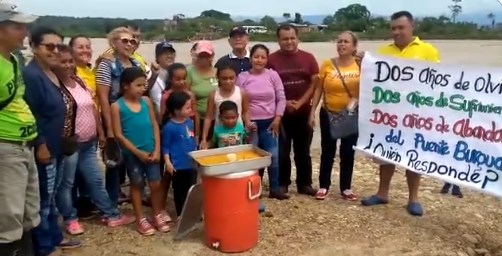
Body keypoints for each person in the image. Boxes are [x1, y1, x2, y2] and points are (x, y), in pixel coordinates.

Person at [358, 11, 440, 217]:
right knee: (386, 154)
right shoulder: (383, 51)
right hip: (389, 115)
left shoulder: (427, 50)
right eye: (393, 28)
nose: (396, 32)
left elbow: (438, 81)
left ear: (412, 27)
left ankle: (413, 198)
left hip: (415, 115)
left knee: (413, 156)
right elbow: (375, 79)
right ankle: (382, 193)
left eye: (401, 28)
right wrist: (364, 65)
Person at [54, 45, 135, 235]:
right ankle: (70, 218)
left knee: (95, 180)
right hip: (70, 144)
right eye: (62, 61)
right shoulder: (55, 86)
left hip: (89, 142)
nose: (67, 65)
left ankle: (110, 214)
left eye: (69, 61)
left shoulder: (79, 81)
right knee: (67, 184)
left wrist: (100, 132)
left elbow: (92, 108)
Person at [23, 27, 81, 256]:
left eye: (59, 45)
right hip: (44, 149)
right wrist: (41, 144)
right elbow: (31, 113)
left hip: (58, 147)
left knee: (52, 195)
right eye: (49, 46)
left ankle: (54, 237)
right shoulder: (32, 75)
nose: (55, 50)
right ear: (35, 47)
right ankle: (43, 247)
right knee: (43, 199)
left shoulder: (51, 72)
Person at [0, 3, 39, 256]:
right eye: (17, 26)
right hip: (6, 148)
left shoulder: (14, 60)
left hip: (25, 146)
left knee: (28, 212)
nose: (25, 32)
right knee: (8, 216)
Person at [111, 67, 169, 235]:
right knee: (136, 184)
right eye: (138, 85)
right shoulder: (117, 106)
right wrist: (137, 153)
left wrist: (157, 149)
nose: (142, 88)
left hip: (151, 151)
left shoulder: (147, 102)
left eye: (144, 85)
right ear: (125, 86)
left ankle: (157, 214)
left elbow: (154, 126)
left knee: (155, 184)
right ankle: (140, 219)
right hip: (133, 155)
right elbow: (119, 135)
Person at [267, 24, 319, 196]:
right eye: (284, 39)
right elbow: (268, 86)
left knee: (303, 151)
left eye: (292, 38)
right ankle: (282, 183)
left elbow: (314, 84)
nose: (289, 42)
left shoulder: (309, 58)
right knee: (282, 151)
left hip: (304, 112)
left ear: (297, 38)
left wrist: (301, 102)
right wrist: (285, 102)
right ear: (278, 40)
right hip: (280, 114)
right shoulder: (271, 60)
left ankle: (304, 183)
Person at [309, 31, 360, 201]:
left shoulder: (360, 65)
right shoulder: (327, 64)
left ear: (354, 46)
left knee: (347, 151)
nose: (342, 45)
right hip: (328, 112)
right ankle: (324, 185)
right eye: (339, 41)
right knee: (328, 150)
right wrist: (312, 112)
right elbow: (318, 89)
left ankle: (346, 187)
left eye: (346, 42)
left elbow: (370, 87)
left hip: (351, 114)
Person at [96, 26, 142, 207]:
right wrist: (109, 128)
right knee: (114, 161)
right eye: (124, 40)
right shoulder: (106, 64)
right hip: (114, 117)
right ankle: (111, 202)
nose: (129, 44)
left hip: (133, 117)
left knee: (132, 156)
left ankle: (132, 193)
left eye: (132, 41)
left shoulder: (136, 64)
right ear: (114, 42)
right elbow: (103, 97)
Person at [237, 44, 289, 200]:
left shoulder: (273, 75)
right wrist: (246, 122)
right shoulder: (243, 77)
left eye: (263, 57)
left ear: (267, 59)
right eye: (256, 56)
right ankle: (254, 189)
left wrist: (277, 118)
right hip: (251, 123)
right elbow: (238, 101)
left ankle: (274, 188)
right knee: (253, 158)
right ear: (250, 58)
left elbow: (281, 98)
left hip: (270, 123)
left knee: (273, 156)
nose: (259, 60)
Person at [68, 35, 97, 219]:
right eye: (80, 47)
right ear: (70, 50)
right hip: (75, 130)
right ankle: (71, 210)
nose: (85, 50)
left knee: (84, 171)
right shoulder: (71, 71)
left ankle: (85, 204)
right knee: (72, 174)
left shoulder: (90, 71)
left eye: (88, 46)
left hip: (92, 126)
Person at [161, 91, 198, 217]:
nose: (190, 110)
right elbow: (165, 147)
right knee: (179, 191)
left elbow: (191, 139)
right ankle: (181, 214)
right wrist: (168, 162)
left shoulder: (189, 122)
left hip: (190, 163)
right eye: (187, 107)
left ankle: (191, 213)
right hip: (178, 165)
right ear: (176, 110)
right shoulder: (169, 127)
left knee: (191, 188)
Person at [200, 63, 250, 150]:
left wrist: (248, 126)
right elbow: (208, 117)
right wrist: (204, 139)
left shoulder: (241, 92)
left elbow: (246, 112)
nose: (228, 81)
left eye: (231, 78)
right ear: (218, 78)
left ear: (236, 77)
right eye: (224, 78)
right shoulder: (214, 95)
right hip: (219, 135)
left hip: (238, 134)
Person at [187, 40, 218, 142]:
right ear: (196, 55)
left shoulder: (218, 72)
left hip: (217, 119)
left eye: (207, 56)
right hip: (196, 119)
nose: (204, 59)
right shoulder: (189, 72)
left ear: (212, 56)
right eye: (201, 56)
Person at [150, 41, 176, 115]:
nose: (169, 56)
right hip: (159, 117)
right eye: (165, 54)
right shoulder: (151, 74)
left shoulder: (178, 74)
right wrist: (153, 76)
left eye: (171, 53)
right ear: (157, 57)